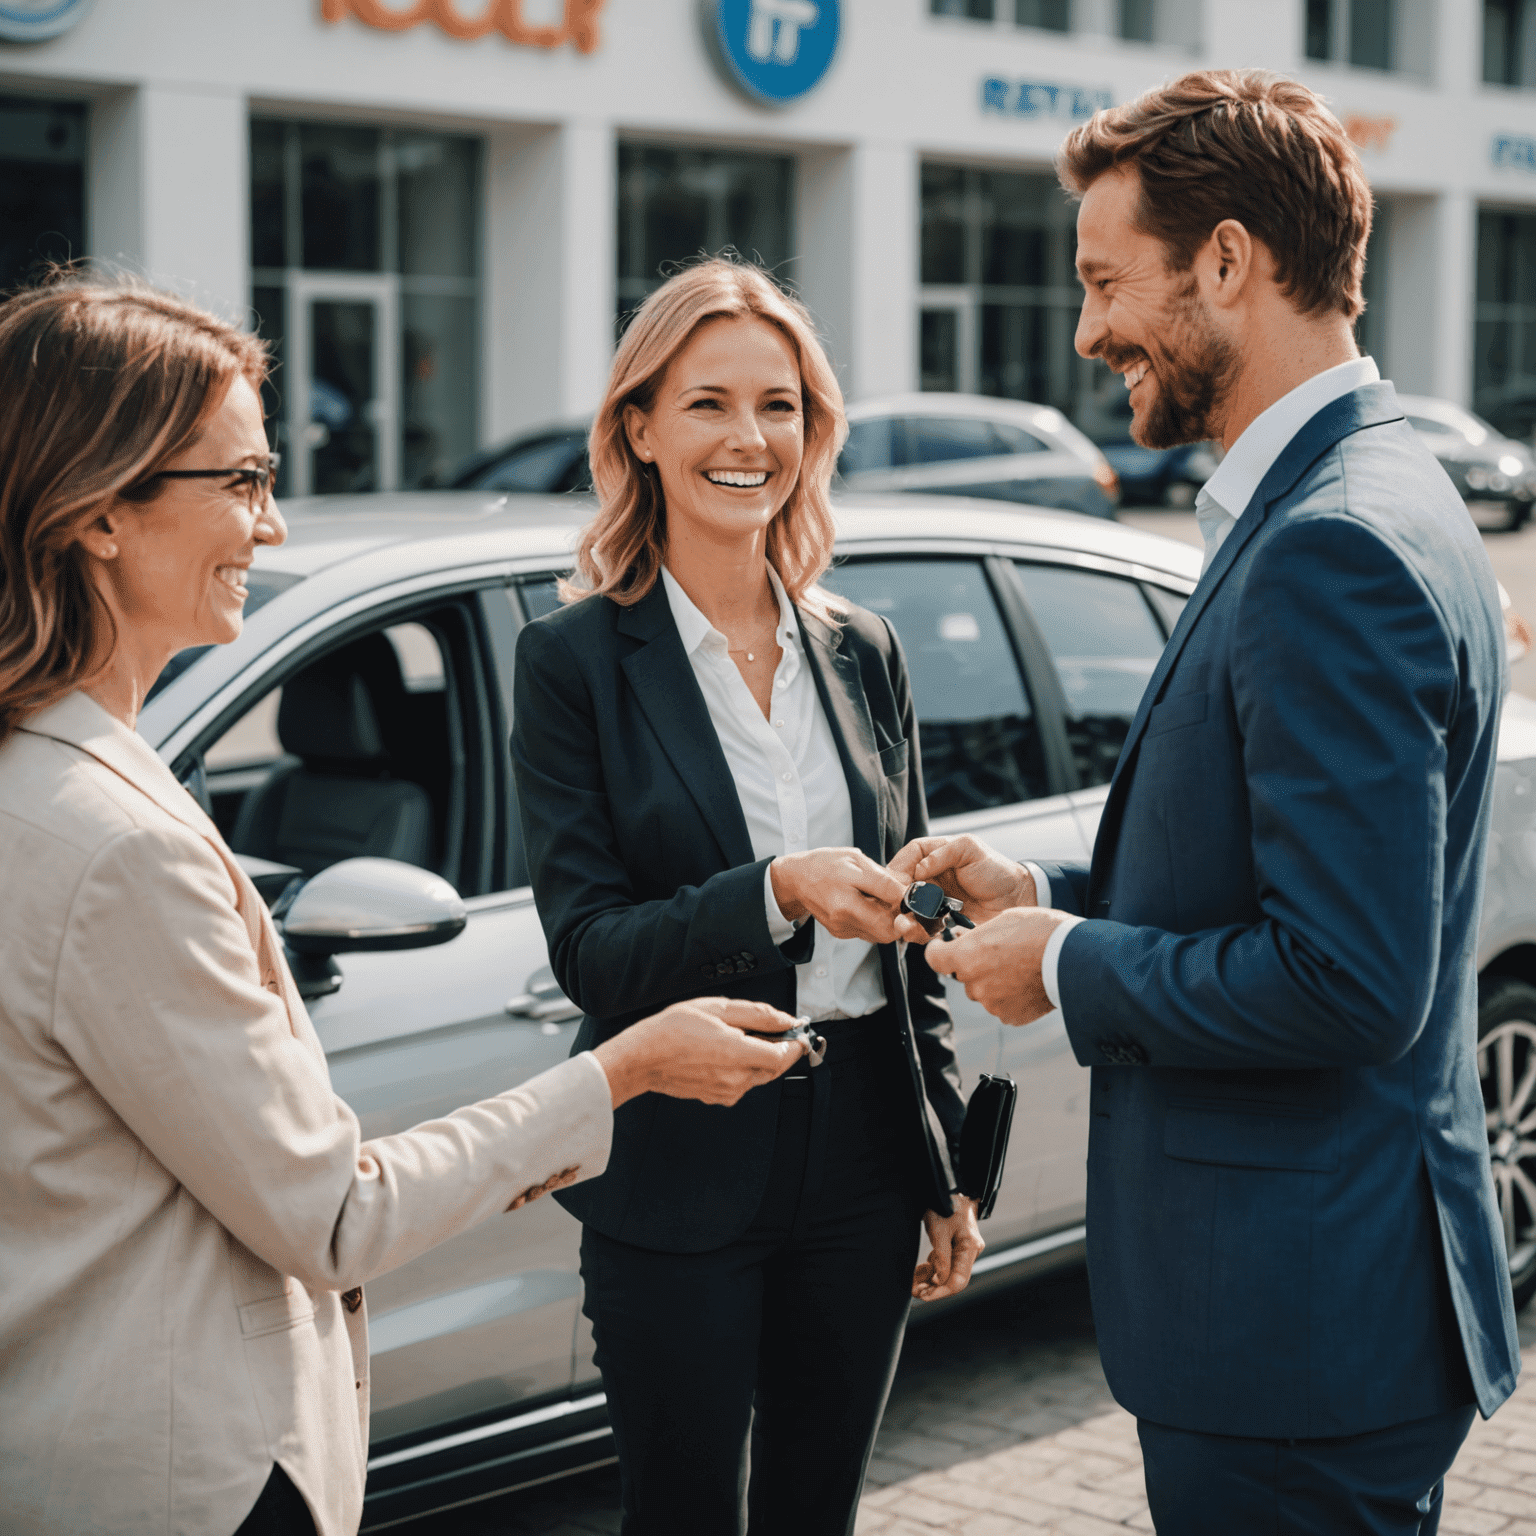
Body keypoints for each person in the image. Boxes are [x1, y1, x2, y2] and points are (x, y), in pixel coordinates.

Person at [0, 273, 807, 1536]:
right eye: (243, 482)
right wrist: (623, 1072)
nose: (269, 529)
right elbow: (333, 1214)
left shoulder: (40, 783)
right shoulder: (119, 847)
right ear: (101, 513)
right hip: (179, 1484)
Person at [892, 71, 1522, 1535]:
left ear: (1227, 261)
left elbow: (1348, 980)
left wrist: (1060, 967)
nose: (1088, 328)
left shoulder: (1332, 546)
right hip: (1328, 1311)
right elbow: (1279, 888)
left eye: (1109, 280)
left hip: (1296, 1338)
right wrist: (1053, 909)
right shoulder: (1379, 491)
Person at [510, 257, 983, 1535]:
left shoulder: (863, 648)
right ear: (641, 428)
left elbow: (912, 930)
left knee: (815, 1514)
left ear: (812, 431)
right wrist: (773, 891)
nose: (747, 438)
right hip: (677, 1163)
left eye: (780, 406)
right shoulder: (570, 664)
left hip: (866, 1166)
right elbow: (594, 953)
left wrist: (941, 1168)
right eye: (708, 403)